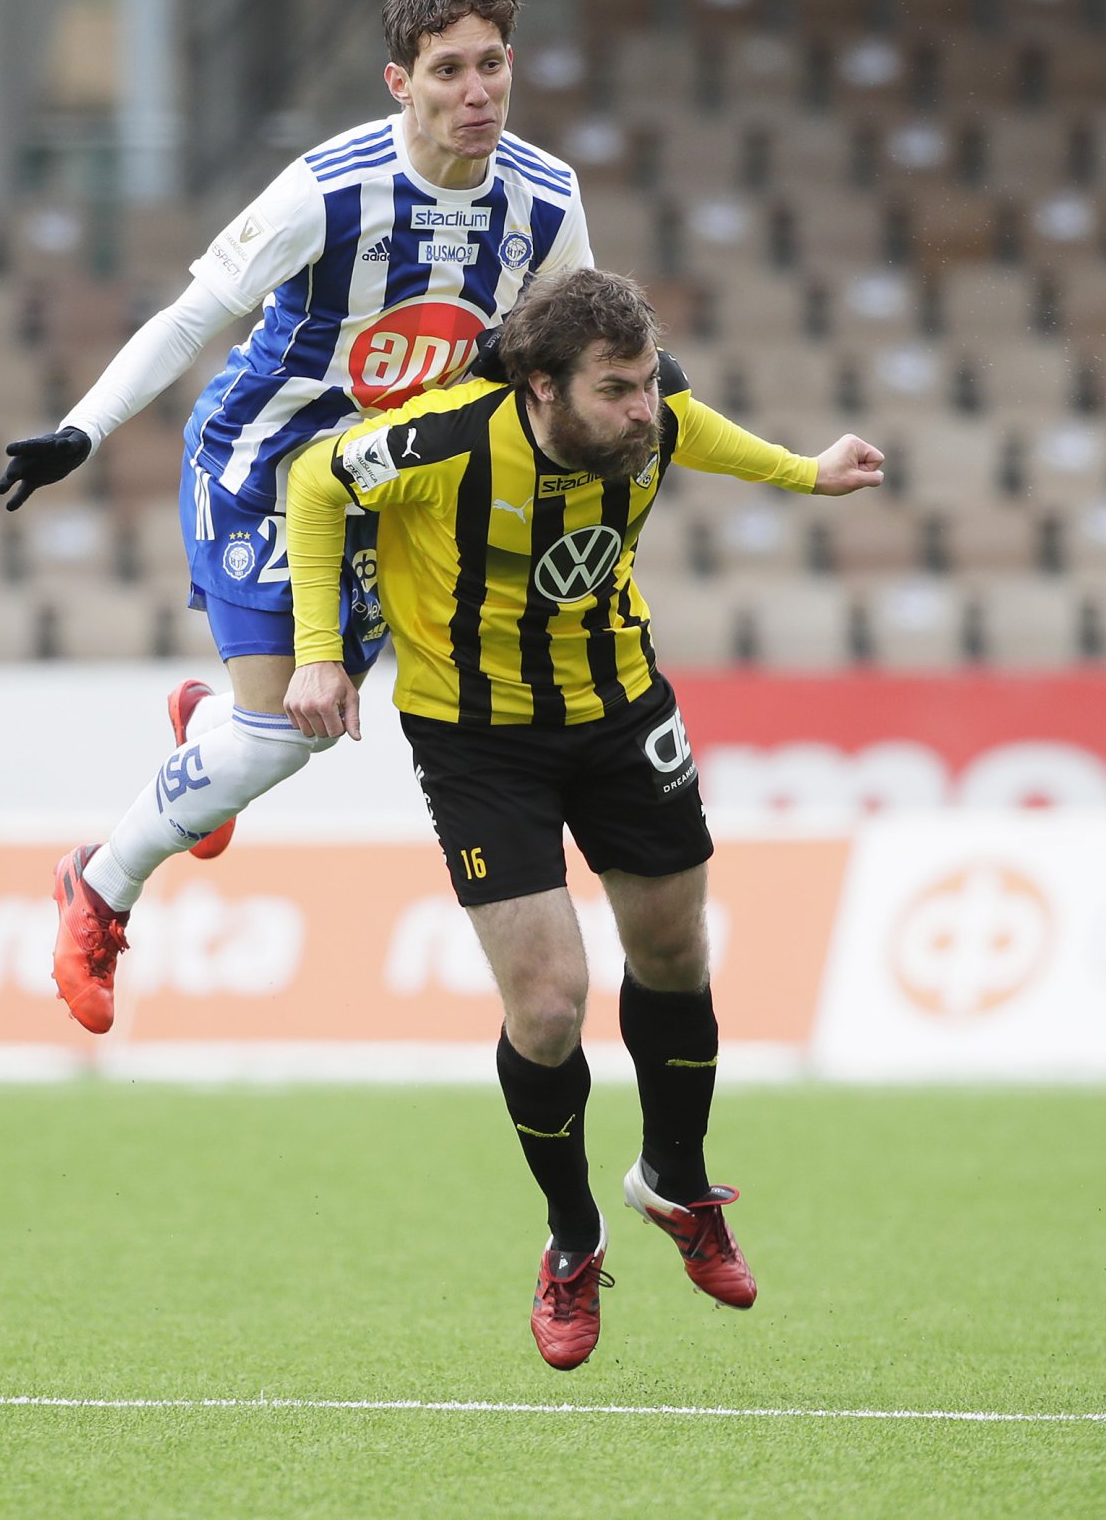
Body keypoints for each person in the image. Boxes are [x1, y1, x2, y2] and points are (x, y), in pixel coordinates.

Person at [278, 269, 883, 1369]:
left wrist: (804, 473)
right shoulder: (444, 442)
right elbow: (315, 484)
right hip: (476, 739)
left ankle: (675, 1181)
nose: (644, 411)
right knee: (550, 1006)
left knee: (672, 950)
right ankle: (572, 1238)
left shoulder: (647, 418)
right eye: (618, 391)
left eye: (647, 383)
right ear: (540, 387)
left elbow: (697, 430)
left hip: (620, 711)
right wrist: (320, 650)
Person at [0, 0, 594, 1034]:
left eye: (493, 65)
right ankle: (99, 883)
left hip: (389, 489)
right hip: (265, 469)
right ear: (396, 82)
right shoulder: (327, 189)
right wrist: (82, 429)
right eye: (448, 70)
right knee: (289, 736)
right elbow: (191, 316)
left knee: (287, 727)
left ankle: (213, 731)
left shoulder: (545, 200)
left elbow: (567, 342)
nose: (477, 93)